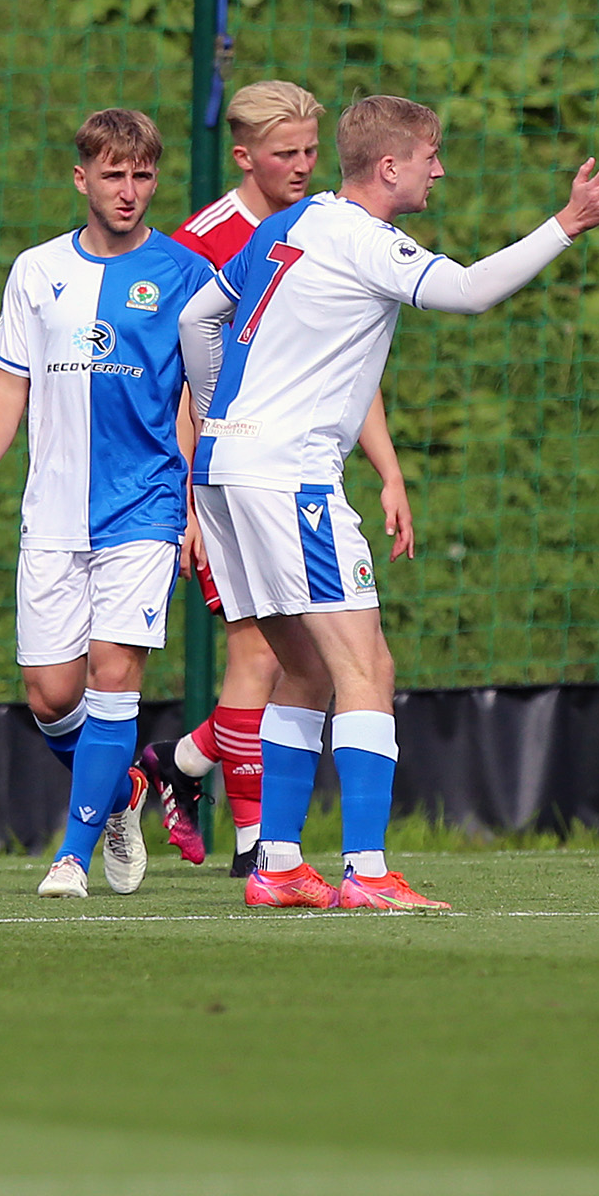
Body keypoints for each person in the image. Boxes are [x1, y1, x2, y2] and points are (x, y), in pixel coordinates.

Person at [178, 95, 599, 910]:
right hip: (290, 475)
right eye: (432, 155)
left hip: (224, 469)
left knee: (306, 666)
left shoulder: (292, 224)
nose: (441, 169)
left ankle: (278, 865)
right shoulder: (362, 239)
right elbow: (469, 292)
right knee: (367, 665)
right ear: (389, 167)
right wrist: (566, 223)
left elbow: (196, 319)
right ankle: (367, 871)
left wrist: (221, 416)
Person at [141, 80, 416, 876]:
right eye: (283, 153)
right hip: (235, 467)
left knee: (288, 659)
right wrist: (192, 490)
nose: (300, 165)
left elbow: (338, 365)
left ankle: (209, 793)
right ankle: (262, 843)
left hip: (276, 458)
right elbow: (195, 372)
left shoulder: (328, 221)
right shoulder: (210, 239)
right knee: (272, 657)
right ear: (243, 156)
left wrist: (387, 468)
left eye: (308, 150)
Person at [0, 110, 216, 898]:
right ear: (82, 179)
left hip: (146, 505)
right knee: (51, 694)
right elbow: (11, 378)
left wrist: (195, 505)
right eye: (113, 175)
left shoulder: (186, 276)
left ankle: (69, 856)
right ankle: (126, 789)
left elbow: (198, 400)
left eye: (141, 176)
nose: (128, 191)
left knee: (112, 678)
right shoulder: (37, 271)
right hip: (53, 511)